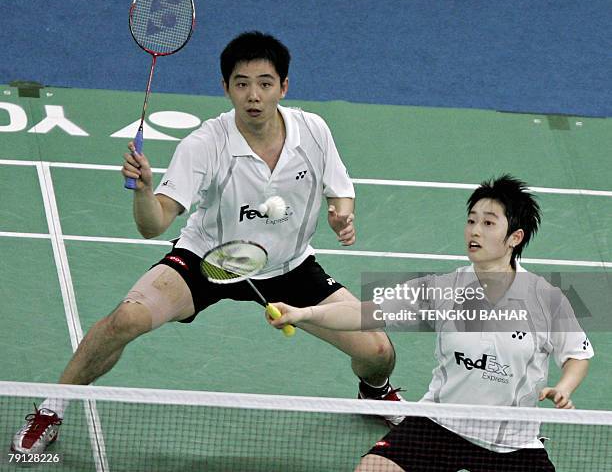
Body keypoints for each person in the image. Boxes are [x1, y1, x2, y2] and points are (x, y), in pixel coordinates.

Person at [12, 31, 402, 455]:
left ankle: (374, 391)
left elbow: (340, 190)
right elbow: (154, 224)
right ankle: (54, 406)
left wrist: (342, 212)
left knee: (379, 349)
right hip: (210, 259)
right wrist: (144, 190)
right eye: (241, 83)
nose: (253, 95)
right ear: (225, 87)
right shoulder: (204, 143)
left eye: (265, 83)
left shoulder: (313, 131)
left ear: (284, 87)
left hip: (289, 267)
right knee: (126, 320)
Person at [267, 175, 593, 472]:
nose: (475, 231)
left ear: (515, 237)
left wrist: (564, 388)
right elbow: (363, 313)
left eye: (489, 223)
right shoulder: (442, 289)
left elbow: (577, 354)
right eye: (471, 221)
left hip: (511, 443)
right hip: (438, 427)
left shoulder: (545, 299)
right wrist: (304, 313)